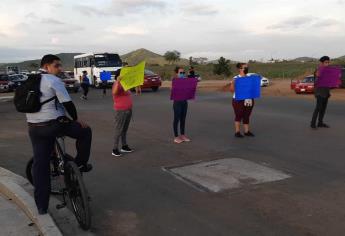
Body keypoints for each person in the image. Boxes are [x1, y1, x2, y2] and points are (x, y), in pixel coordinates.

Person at [26, 55, 92, 215]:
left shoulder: (29, 80)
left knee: (40, 167)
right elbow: (67, 104)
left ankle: (41, 207)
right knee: (85, 131)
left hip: (34, 127)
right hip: (53, 125)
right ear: (47, 66)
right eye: (57, 66)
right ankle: (80, 165)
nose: (60, 68)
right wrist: (76, 120)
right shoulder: (53, 80)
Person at [230, 63, 255, 138]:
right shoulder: (236, 78)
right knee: (238, 115)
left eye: (247, 67)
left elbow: (252, 89)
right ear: (240, 69)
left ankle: (246, 131)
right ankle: (237, 132)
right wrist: (233, 83)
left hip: (249, 99)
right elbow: (231, 90)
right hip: (238, 99)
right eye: (245, 67)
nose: (247, 68)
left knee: (247, 115)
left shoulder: (249, 78)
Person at [111, 75, 134, 157]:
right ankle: (115, 149)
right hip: (121, 111)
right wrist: (118, 81)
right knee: (119, 129)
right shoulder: (116, 84)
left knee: (124, 129)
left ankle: (124, 146)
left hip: (128, 110)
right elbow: (114, 92)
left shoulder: (125, 84)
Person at [311, 56, 332, 129]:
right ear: (322, 63)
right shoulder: (318, 70)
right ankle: (312, 124)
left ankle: (320, 123)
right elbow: (317, 82)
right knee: (318, 108)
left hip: (326, 92)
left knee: (323, 109)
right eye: (326, 62)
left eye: (328, 62)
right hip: (319, 92)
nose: (328, 64)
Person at [172, 66, 191, 144]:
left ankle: (182, 135)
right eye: (181, 73)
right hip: (177, 103)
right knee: (177, 119)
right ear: (177, 73)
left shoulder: (186, 81)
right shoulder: (175, 81)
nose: (182, 74)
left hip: (184, 102)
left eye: (183, 73)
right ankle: (176, 137)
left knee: (183, 119)